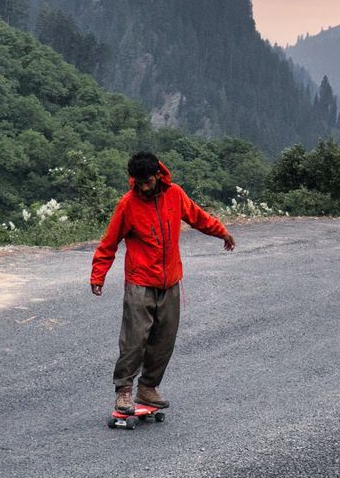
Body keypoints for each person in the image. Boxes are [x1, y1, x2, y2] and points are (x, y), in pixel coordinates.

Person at [91, 151, 236, 414]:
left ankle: (148, 388)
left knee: (164, 339)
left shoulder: (175, 194)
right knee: (134, 340)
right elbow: (108, 243)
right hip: (140, 281)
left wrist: (222, 232)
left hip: (170, 282)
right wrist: (97, 275)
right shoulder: (128, 204)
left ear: (158, 175)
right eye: (138, 182)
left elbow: (198, 217)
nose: (143, 188)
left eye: (147, 182)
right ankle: (124, 391)